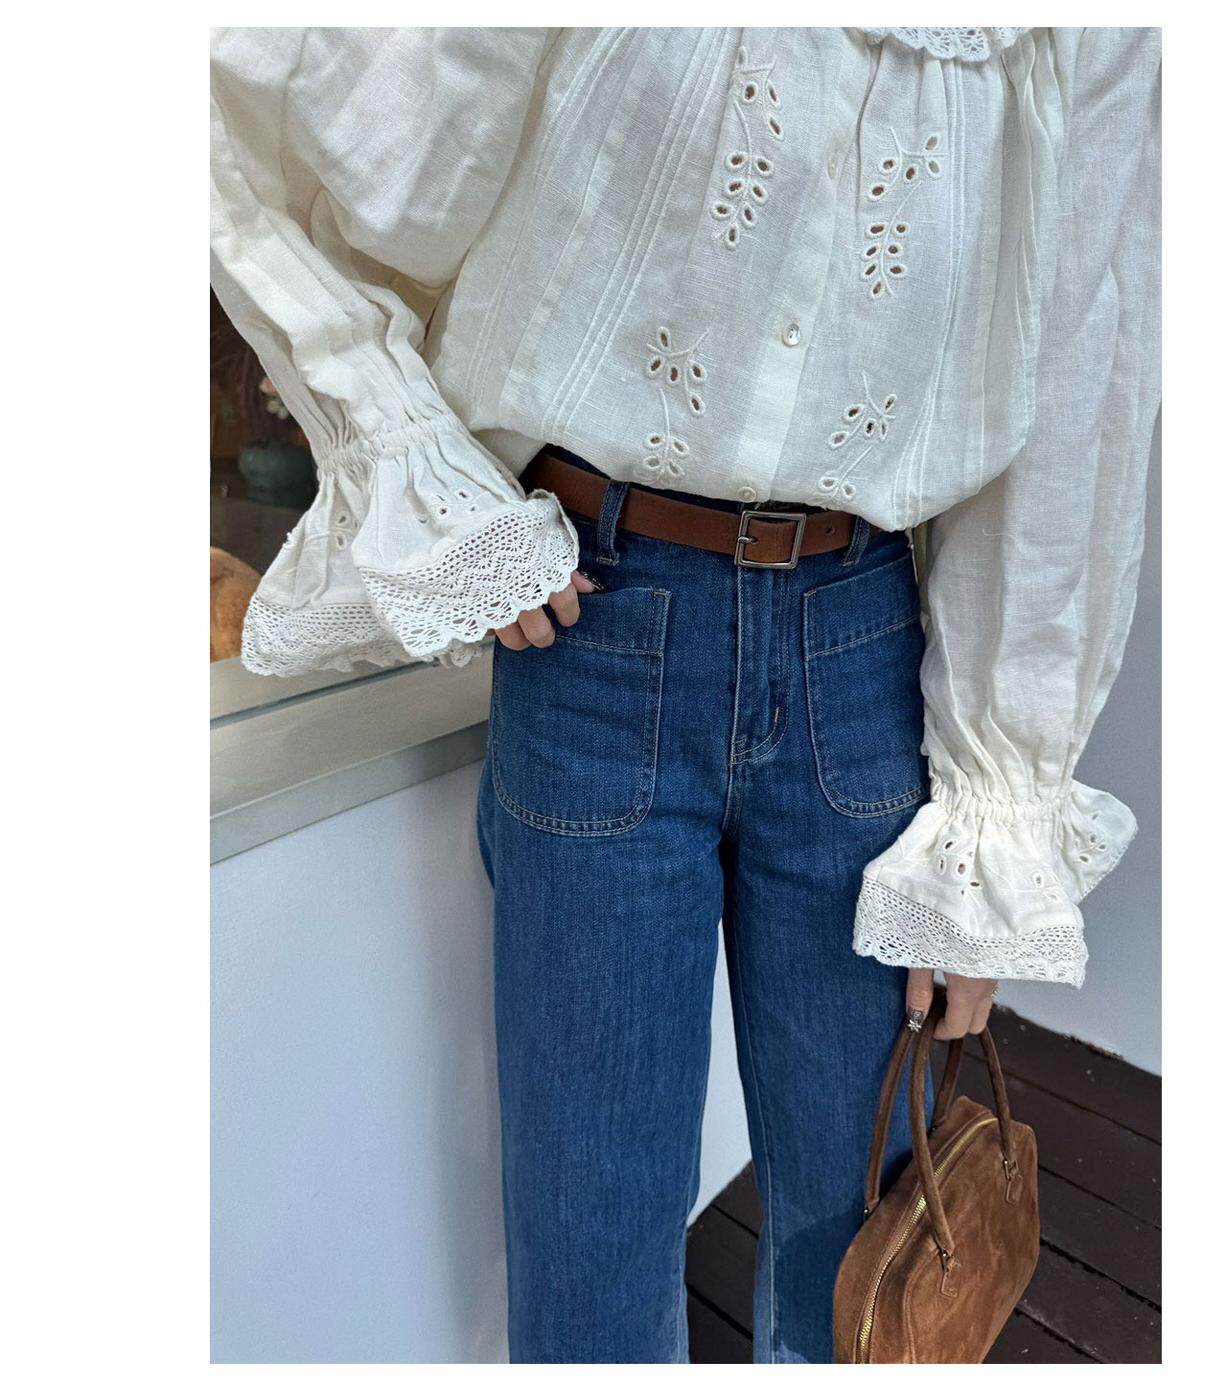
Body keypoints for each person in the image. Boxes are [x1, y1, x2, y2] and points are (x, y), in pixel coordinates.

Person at [210, 25, 1160, 1363]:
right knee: (590, 1231)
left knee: (866, 1240)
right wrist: (428, 468)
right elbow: (256, 109)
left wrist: (1003, 812)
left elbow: (1079, 373)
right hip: (600, 627)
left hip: (859, 648)